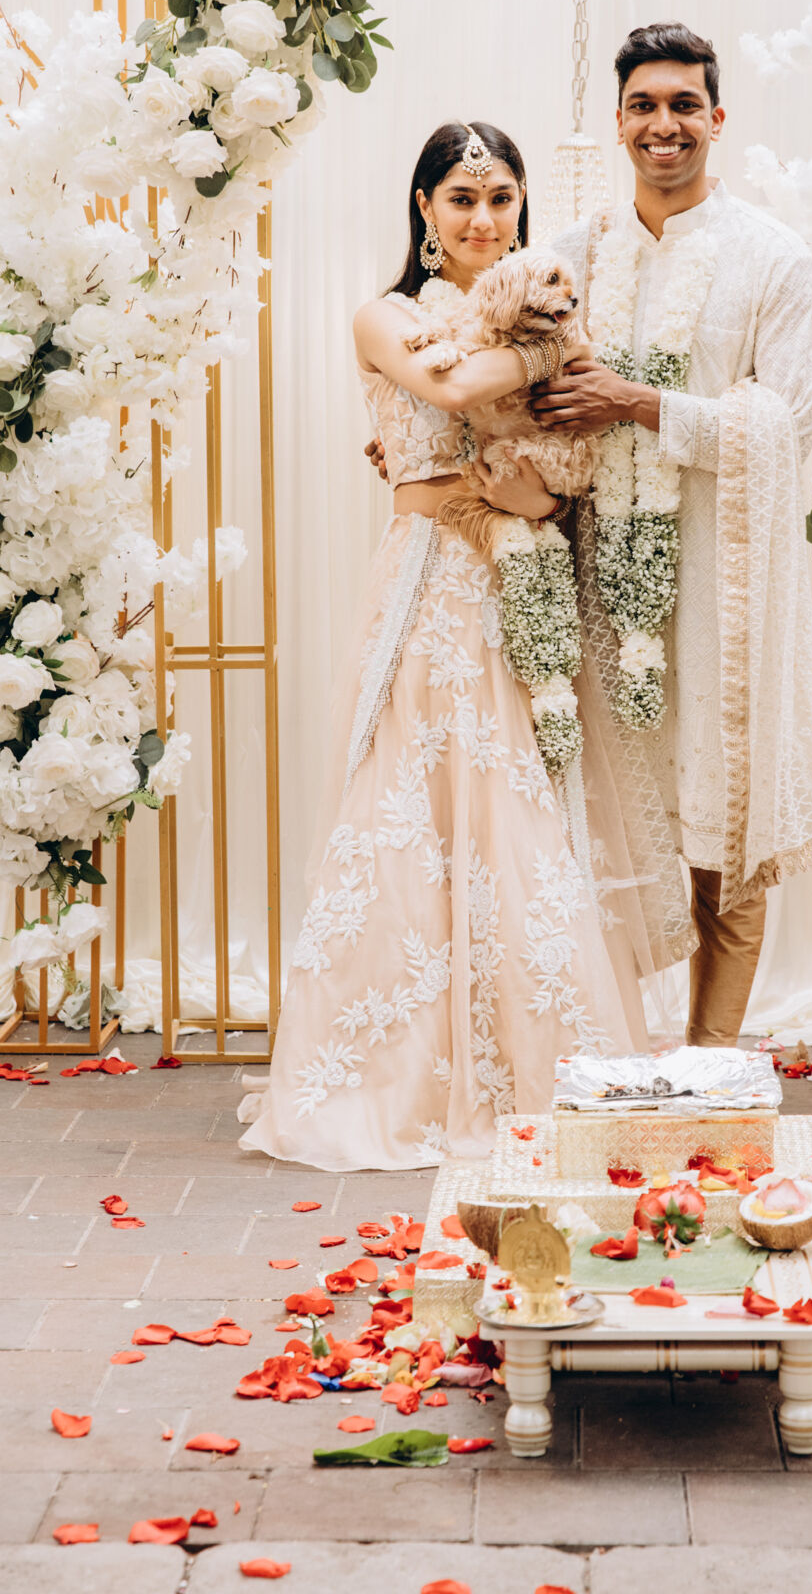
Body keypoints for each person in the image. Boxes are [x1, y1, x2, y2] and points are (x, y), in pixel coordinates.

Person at [239, 120, 655, 1174]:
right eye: (462, 198)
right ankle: (398, 1073)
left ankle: (525, 1064)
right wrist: (553, 350)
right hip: (428, 582)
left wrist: (538, 490)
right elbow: (455, 392)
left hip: (519, 577)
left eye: (500, 198)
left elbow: (564, 461)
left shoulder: (535, 313)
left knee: (518, 804)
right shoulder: (387, 316)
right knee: (410, 807)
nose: (482, 218)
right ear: (425, 207)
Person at [535, 23, 812, 1047]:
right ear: (617, 121)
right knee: (601, 829)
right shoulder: (571, 257)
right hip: (596, 582)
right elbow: (508, 386)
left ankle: (709, 1066)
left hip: (725, 584)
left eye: (681, 105)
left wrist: (636, 404)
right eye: (643, 106)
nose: (661, 125)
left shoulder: (774, 260)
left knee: (725, 831)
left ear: (716, 119)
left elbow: (787, 431)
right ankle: (609, 1053)